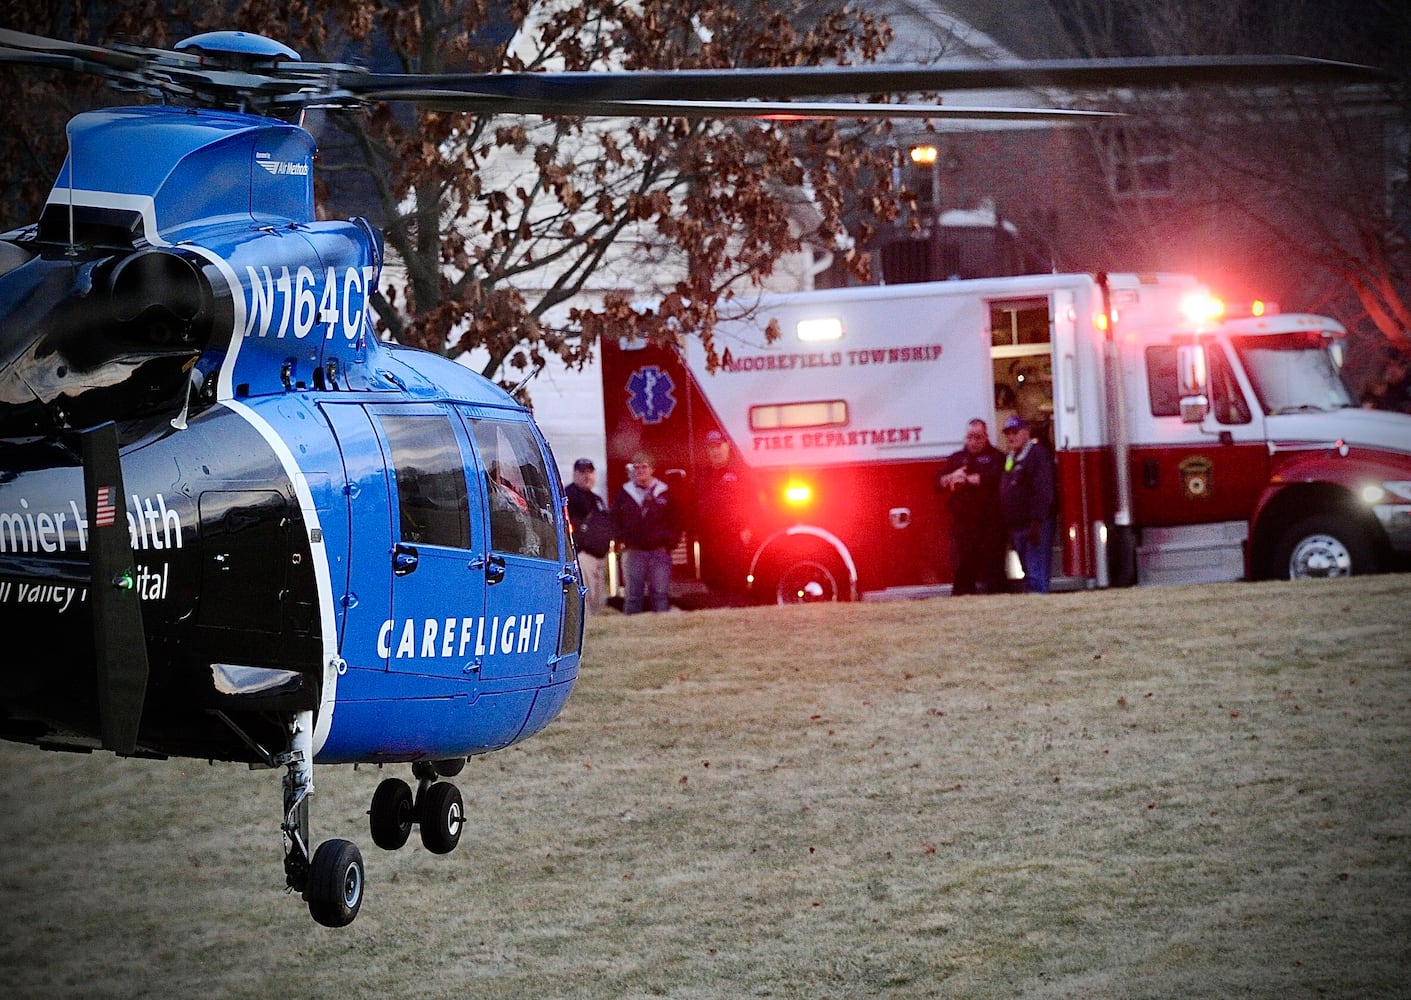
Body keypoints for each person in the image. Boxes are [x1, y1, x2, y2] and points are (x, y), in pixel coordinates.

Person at [935, 418, 1007, 596]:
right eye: (970, 437)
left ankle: (1000, 604)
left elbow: (997, 477)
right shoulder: (957, 459)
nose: (974, 441)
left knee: (994, 567)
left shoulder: (997, 457)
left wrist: (968, 479)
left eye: (978, 437)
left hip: (991, 523)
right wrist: (950, 477)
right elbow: (937, 483)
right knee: (963, 568)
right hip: (964, 524)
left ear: (986, 436)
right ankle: (962, 603)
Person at [694, 429, 759, 606]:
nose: (715, 451)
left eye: (718, 446)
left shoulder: (739, 472)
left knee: (735, 582)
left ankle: (738, 617)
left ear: (727, 446)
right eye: (711, 447)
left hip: (733, 537)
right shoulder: (703, 475)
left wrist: (748, 530)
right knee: (714, 581)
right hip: (710, 539)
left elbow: (754, 503)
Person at [610, 451, 680, 613]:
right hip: (633, 551)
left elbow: (676, 520)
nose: (640, 471)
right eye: (636, 467)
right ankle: (632, 633)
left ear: (652, 469)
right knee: (633, 595)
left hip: (659, 551)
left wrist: (670, 542)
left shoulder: (664, 492)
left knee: (660, 595)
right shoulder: (624, 493)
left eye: (644, 467)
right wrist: (622, 540)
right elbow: (614, 519)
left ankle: (662, 630)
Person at [999, 415, 1055, 594]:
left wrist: (1037, 521)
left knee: (1035, 571)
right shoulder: (1012, 457)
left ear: (1026, 433)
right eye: (1008, 433)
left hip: (1035, 524)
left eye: (1015, 432)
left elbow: (1043, 489)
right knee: (1027, 569)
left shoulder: (1037, 454)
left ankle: (1039, 605)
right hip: (1017, 525)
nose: (1010, 437)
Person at [565, 457, 610, 613]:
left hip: (599, 556)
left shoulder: (596, 499)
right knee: (587, 599)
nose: (587, 476)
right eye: (582, 472)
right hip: (584, 556)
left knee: (597, 599)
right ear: (575, 474)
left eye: (590, 472)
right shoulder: (569, 496)